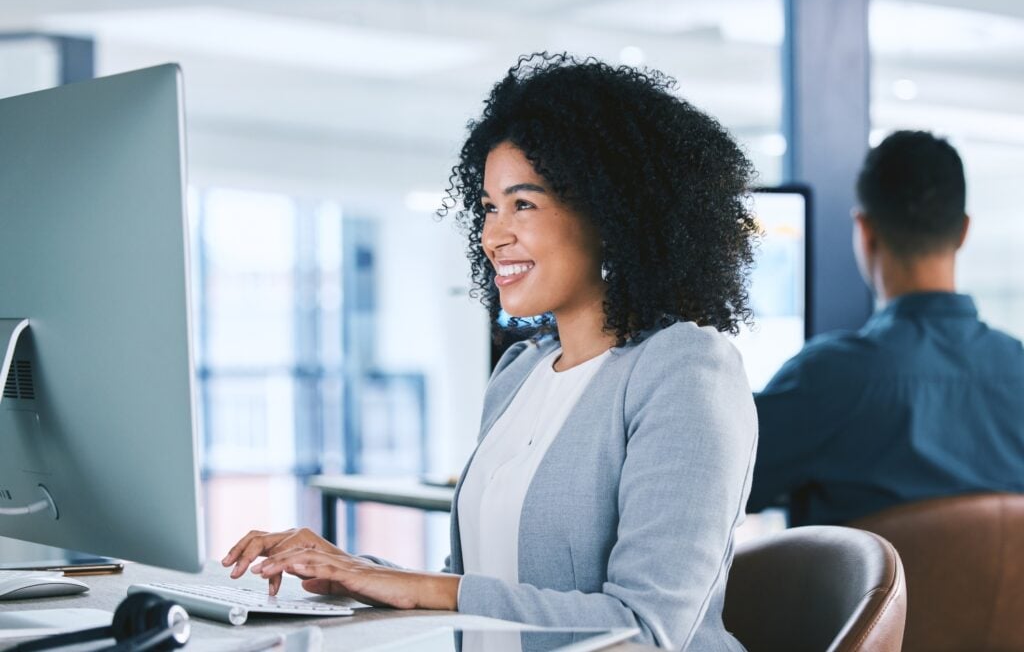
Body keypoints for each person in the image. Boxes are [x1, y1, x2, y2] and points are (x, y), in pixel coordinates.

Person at [221, 52, 759, 650]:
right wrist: (353, 571)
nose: (492, 235)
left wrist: (414, 586)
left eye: (523, 204)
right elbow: (478, 587)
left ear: (611, 213)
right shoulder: (520, 372)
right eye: (488, 206)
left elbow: (646, 629)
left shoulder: (685, 368)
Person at [749, 130, 1024, 527]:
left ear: (865, 232)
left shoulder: (826, 379)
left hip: (865, 593)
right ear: (963, 232)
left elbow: (718, 486)